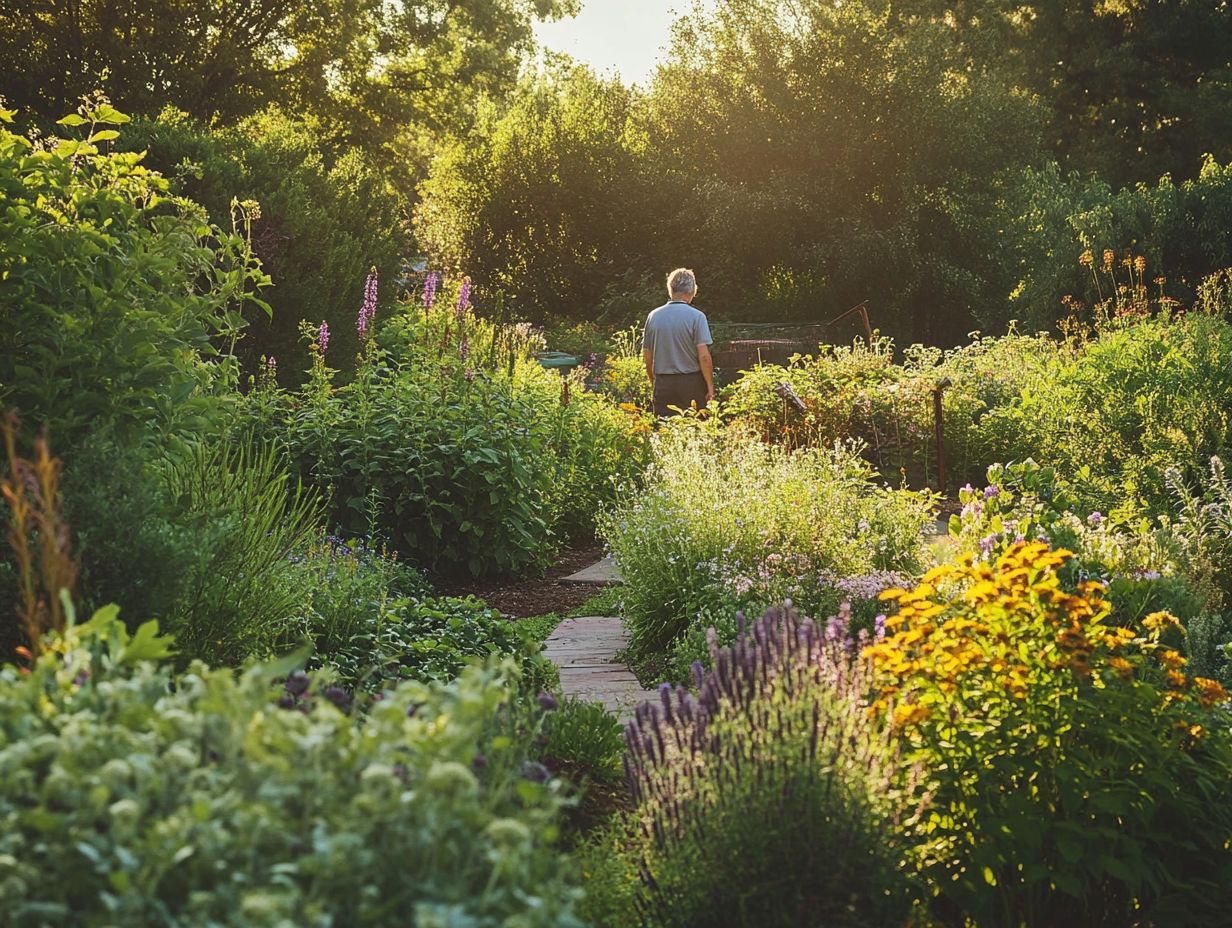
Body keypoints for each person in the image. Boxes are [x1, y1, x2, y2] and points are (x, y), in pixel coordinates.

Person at [642, 268, 714, 417]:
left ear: (670, 290)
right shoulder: (697, 317)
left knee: (664, 431)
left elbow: (647, 356)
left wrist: (653, 381)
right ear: (692, 291)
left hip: (663, 383)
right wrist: (710, 386)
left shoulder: (653, 316)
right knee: (695, 429)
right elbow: (704, 357)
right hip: (691, 383)